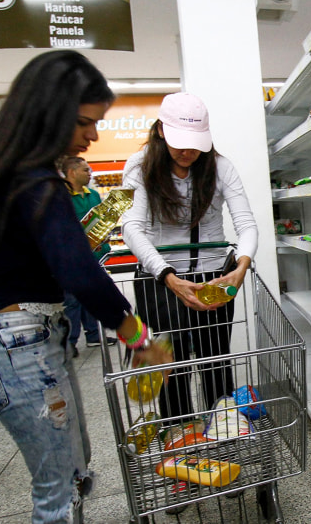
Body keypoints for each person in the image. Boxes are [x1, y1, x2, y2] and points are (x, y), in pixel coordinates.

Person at [0, 50, 172, 524]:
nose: (94, 136)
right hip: (13, 343)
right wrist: (138, 336)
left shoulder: (6, 174)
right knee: (58, 488)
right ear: (48, 114)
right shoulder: (33, 180)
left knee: (75, 469)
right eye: (86, 122)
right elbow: (79, 271)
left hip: (26, 338)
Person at [122, 92, 258, 424]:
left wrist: (240, 267)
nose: (188, 152)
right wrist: (167, 275)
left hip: (213, 278)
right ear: (160, 131)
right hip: (160, 283)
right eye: (180, 142)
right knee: (170, 365)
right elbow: (131, 227)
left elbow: (247, 224)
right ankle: (179, 433)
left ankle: (221, 426)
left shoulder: (221, 167)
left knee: (216, 360)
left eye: (196, 143)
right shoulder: (139, 166)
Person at [62, 156, 117, 357]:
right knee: (73, 301)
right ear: (72, 172)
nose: (89, 173)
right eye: (85, 170)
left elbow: (102, 220)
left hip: (96, 256)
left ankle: (93, 335)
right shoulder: (61, 197)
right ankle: (70, 342)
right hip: (72, 259)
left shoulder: (93, 194)